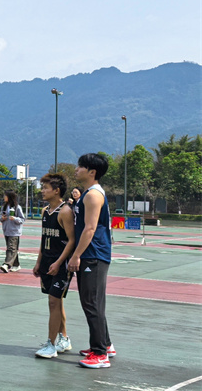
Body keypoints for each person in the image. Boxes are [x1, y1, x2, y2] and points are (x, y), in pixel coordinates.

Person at [69, 153, 116, 368]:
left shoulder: (93, 195)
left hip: (93, 255)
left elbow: (90, 228)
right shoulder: (88, 194)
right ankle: (105, 345)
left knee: (92, 303)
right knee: (94, 302)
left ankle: (100, 354)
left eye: (80, 166)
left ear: (92, 172)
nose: (76, 169)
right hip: (93, 254)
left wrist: (76, 255)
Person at [33, 173, 76, 359]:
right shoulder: (45, 211)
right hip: (47, 262)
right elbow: (44, 239)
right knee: (56, 301)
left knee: (53, 301)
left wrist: (59, 263)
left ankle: (51, 345)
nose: (42, 191)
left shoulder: (65, 212)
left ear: (56, 191)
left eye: (46, 188)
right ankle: (64, 338)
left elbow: (72, 240)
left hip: (61, 264)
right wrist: (38, 261)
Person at [0, 190, 24, 273]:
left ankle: (7, 264)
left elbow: (22, 219)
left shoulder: (17, 207)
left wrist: (15, 219)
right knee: (12, 248)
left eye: (5, 195)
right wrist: (2, 218)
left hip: (14, 231)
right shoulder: (4, 207)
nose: (4, 197)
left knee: (11, 248)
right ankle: (16, 265)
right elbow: (0, 217)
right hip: (6, 230)